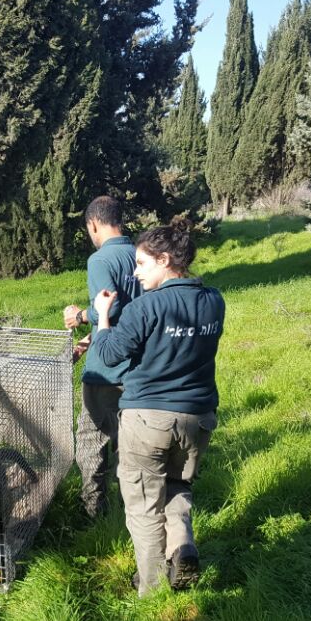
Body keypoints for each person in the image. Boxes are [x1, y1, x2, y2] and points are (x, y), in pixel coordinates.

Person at [91, 220, 224, 596]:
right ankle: (181, 546)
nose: (135, 273)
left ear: (164, 260)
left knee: (143, 505)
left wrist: (103, 315)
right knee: (178, 484)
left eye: (141, 264)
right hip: (197, 418)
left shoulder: (144, 308)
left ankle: (151, 590)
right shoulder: (214, 301)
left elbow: (108, 354)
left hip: (148, 419)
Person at [63, 196, 142, 518]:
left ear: (93, 224)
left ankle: (94, 510)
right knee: (130, 440)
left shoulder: (100, 260)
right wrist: (89, 338)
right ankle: (133, 508)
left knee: (91, 437)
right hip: (139, 364)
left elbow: (110, 307)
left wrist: (80, 316)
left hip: (107, 370)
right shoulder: (142, 255)